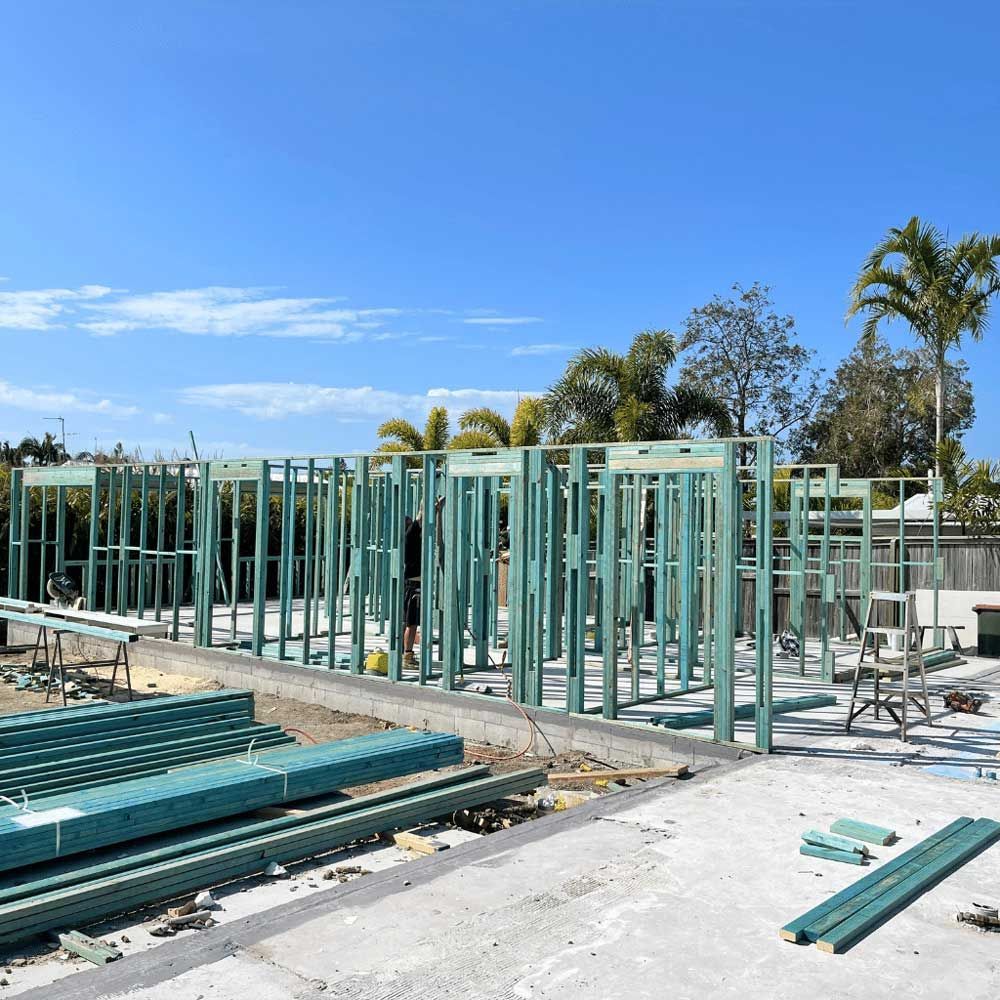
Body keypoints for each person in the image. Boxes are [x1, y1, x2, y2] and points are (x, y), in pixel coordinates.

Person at [401, 512, 423, 668]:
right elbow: (420, 515)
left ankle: (406, 653)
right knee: (412, 622)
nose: (412, 519)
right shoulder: (411, 533)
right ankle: (407, 656)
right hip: (414, 585)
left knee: (410, 621)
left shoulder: (408, 536)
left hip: (411, 583)